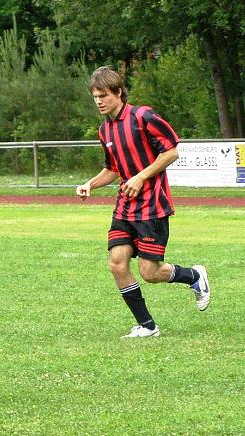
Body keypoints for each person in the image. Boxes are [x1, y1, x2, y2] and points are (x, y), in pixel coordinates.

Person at [76, 66, 210, 338]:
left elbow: (171, 152)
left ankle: (194, 276)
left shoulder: (143, 117)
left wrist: (140, 177)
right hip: (125, 206)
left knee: (149, 272)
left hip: (152, 206)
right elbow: (113, 169)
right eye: (95, 97)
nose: (99, 101)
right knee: (117, 263)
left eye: (103, 95)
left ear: (118, 92)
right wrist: (90, 184)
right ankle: (147, 326)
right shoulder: (105, 131)